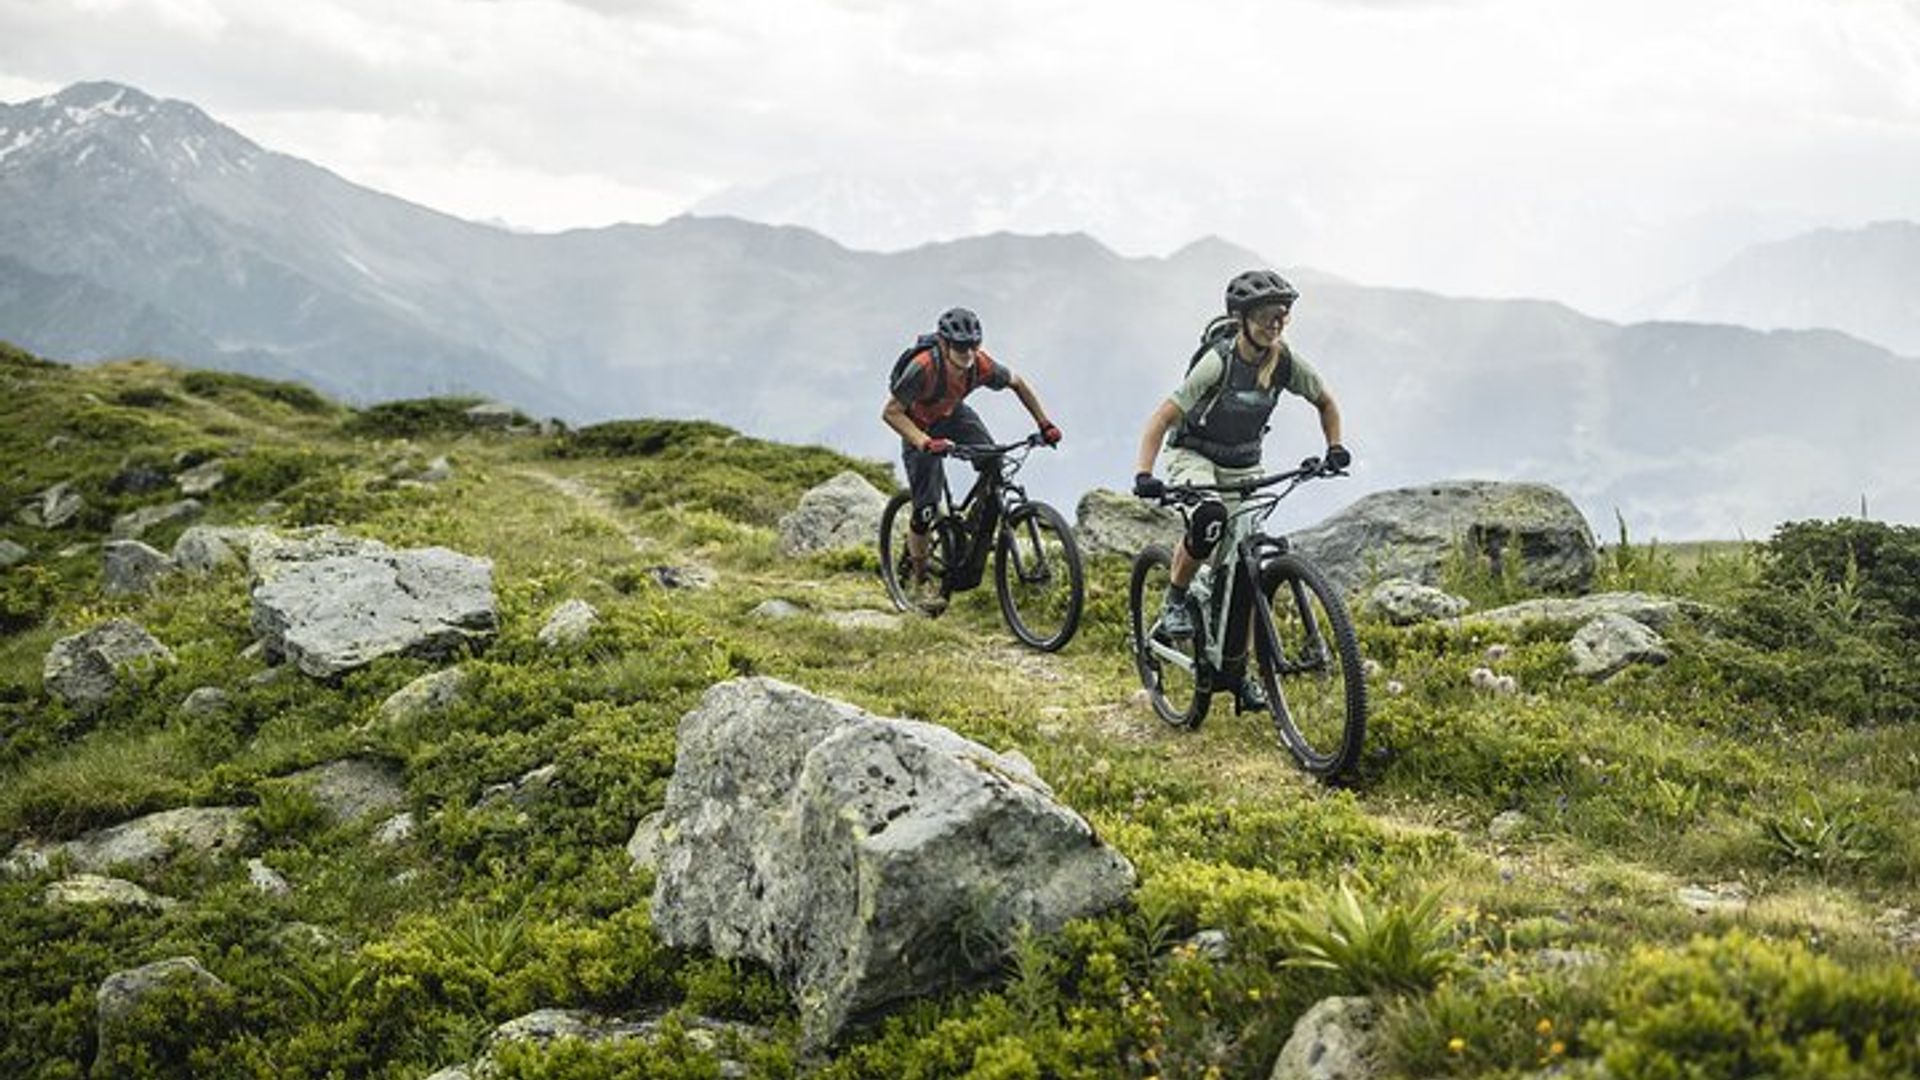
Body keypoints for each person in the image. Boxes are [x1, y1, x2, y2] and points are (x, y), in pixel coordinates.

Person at [1131, 269, 1350, 707]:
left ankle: (1237, 672)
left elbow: (1325, 402)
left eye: (1282, 316)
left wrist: (1335, 447)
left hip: (1244, 463)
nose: (1276, 323)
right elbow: (1161, 418)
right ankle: (1175, 600)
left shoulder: (1285, 362)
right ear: (1243, 318)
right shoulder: (1218, 361)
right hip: (1194, 456)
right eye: (1268, 315)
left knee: (1247, 571)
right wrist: (1144, 472)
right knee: (1209, 519)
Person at [883, 306, 1062, 605]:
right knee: (925, 509)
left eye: (972, 345)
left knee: (993, 460)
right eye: (959, 346)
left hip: (953, 414)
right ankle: (921, 581)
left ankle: (975, 526)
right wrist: (924, 442)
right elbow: (891, 412)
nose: (967, 353)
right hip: (917, 424)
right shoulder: (924, 367)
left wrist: (1044, 423)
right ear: (944, 343)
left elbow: (1017, 383)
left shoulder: (980, 364)